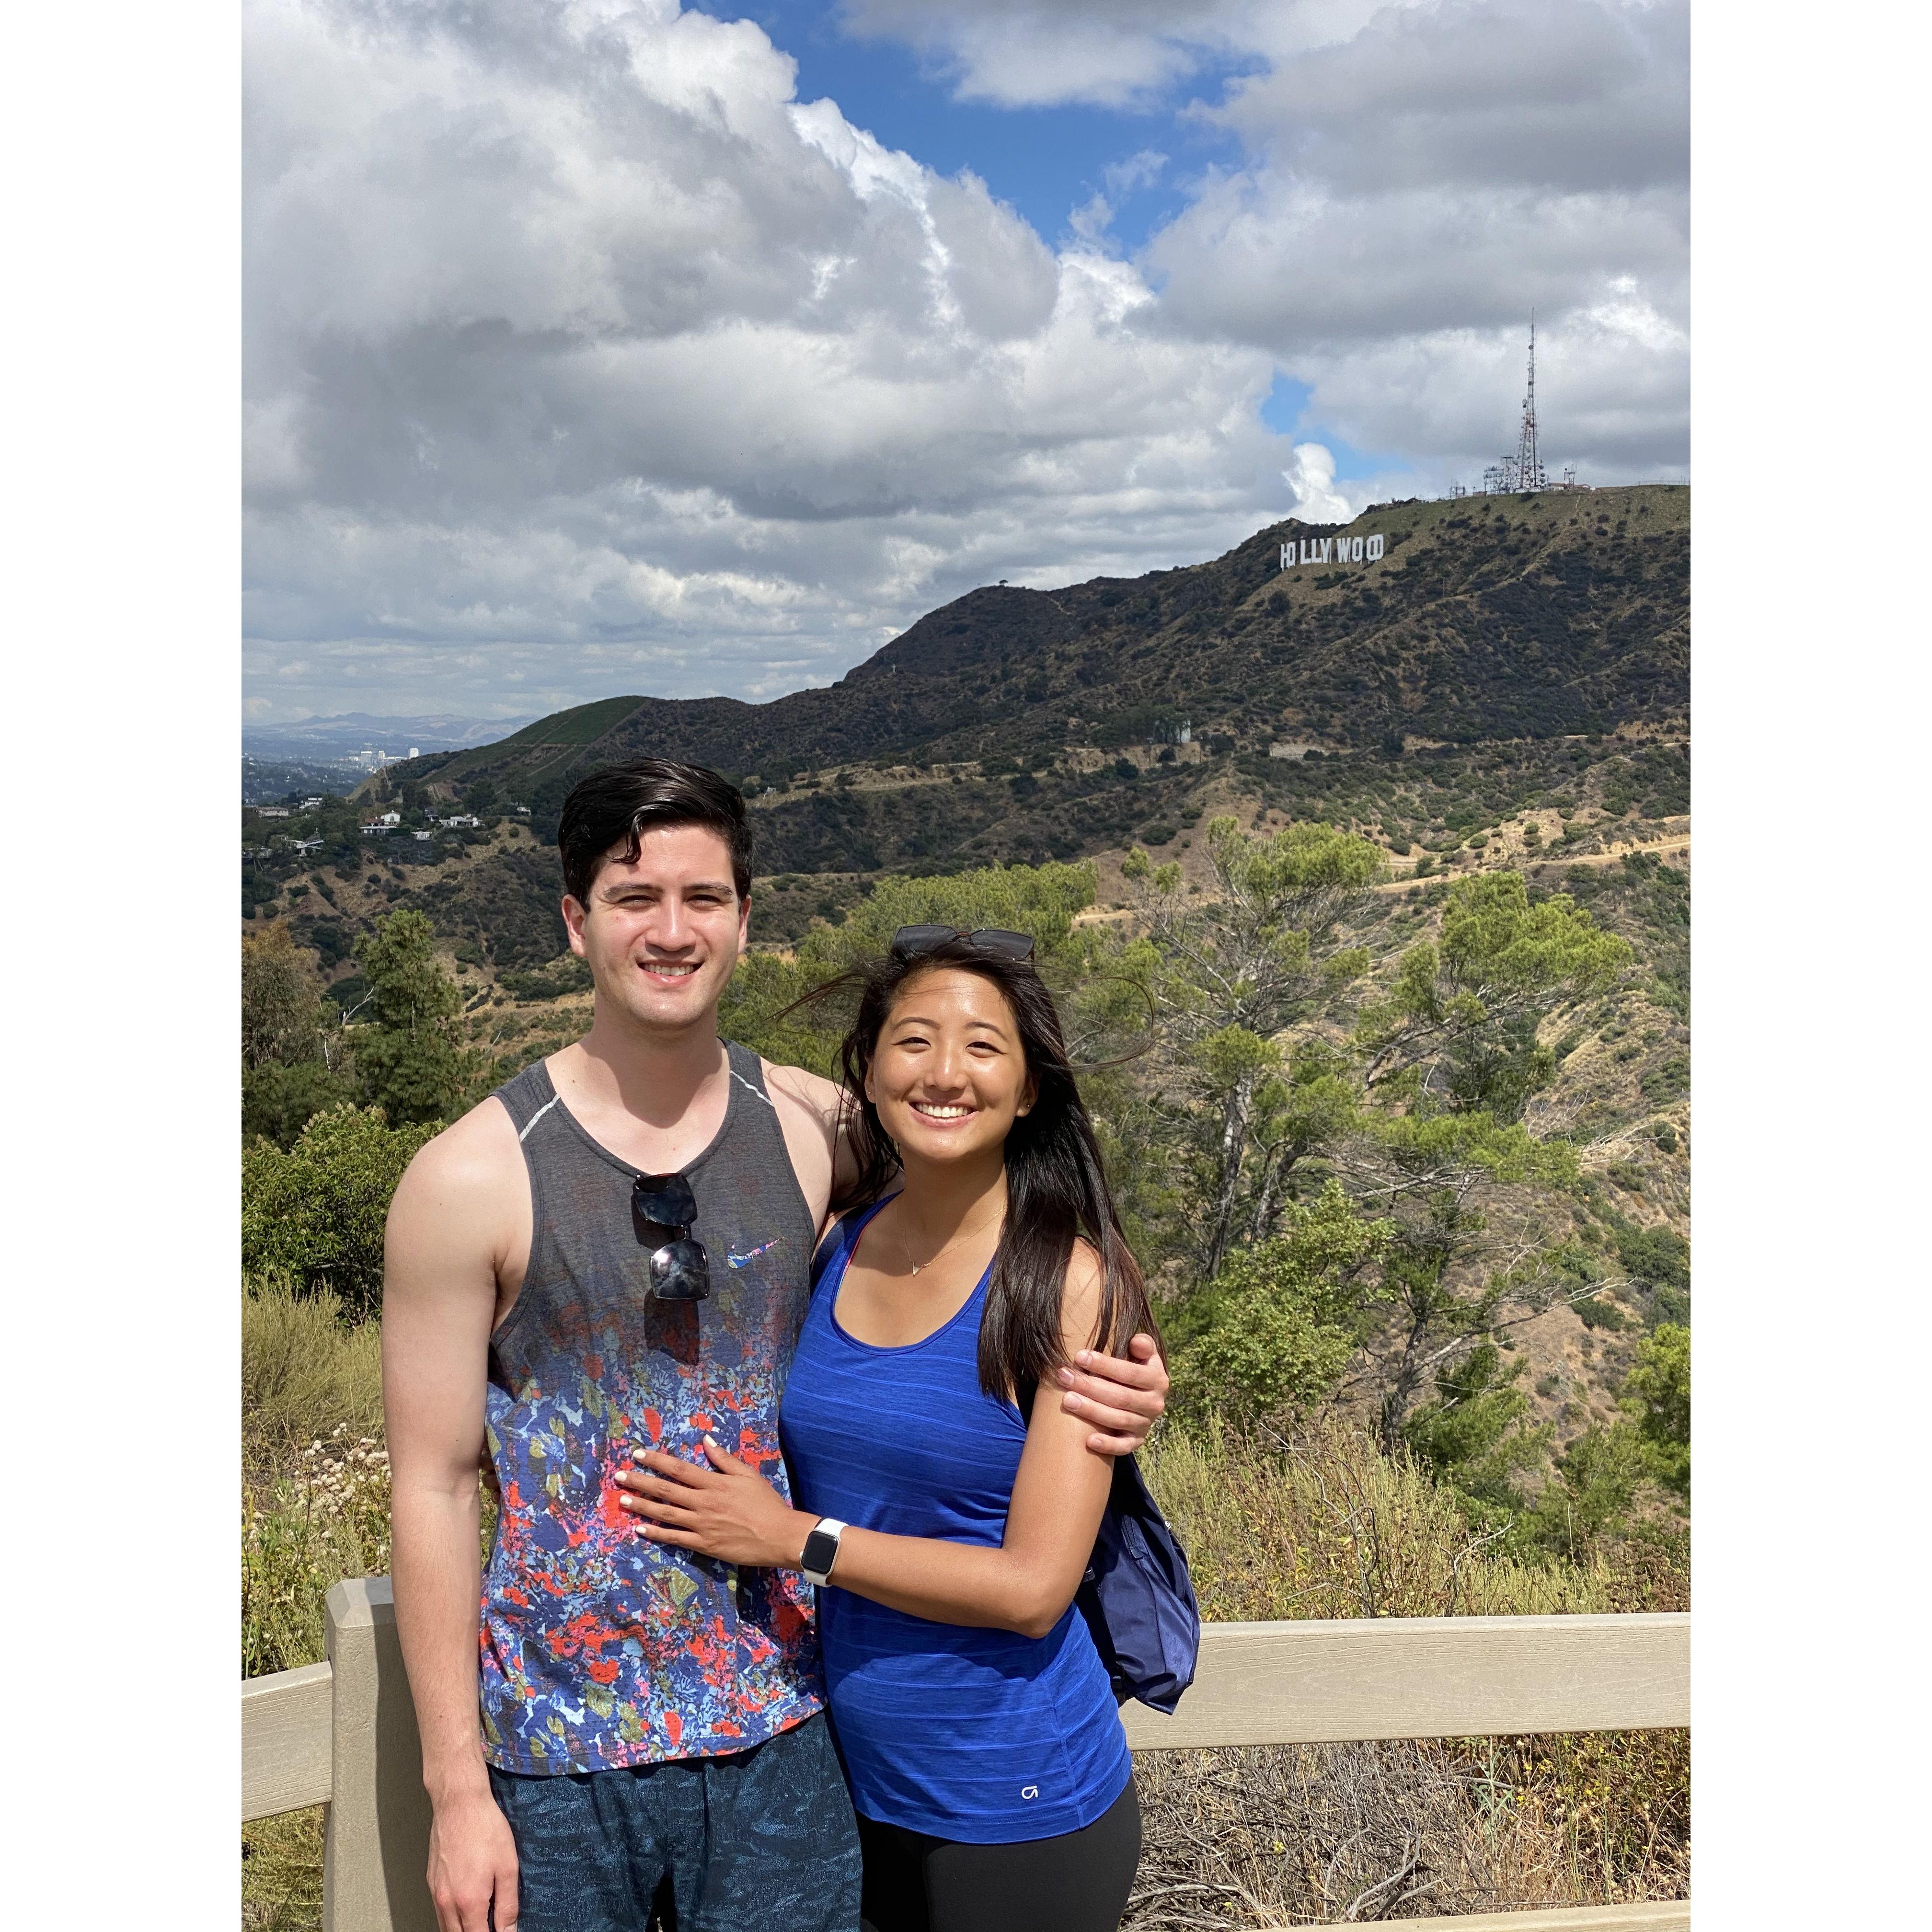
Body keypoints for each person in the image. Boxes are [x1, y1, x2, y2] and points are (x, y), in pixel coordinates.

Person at [381, 759, 1171, 1932]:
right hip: (557, 1750)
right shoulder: (469, 1177)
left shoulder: (814, 1128)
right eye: (634, 896)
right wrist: (456, 1789)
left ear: (746, 921)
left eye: (704, 898)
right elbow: (433, 1483)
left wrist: (1132, 1356)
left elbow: (1000, 1196)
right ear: (574, 921)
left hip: (787, 1735)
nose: (671, 930)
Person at [617, 926, 1158, 1932]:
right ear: (867, 1072)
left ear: (1031, 1087)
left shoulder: (1067, 1283)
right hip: (844, 1784)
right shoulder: (835, 1243)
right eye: (913, 1041)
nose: (946, 1072)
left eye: (984, 1047)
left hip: (1014, 1801)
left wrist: (792, 1541)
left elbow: (1035, 1591)